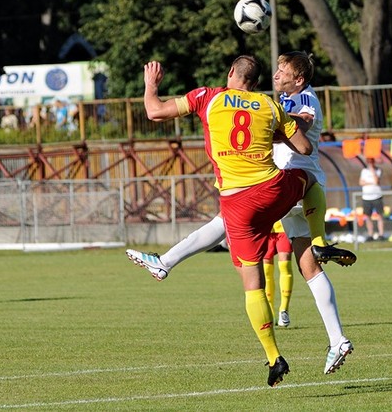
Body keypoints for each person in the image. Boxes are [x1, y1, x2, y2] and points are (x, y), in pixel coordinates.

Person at [126, 55, 355, 387]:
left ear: (231, 73)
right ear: (257, 81)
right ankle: (333, 319)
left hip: (238, 200)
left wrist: (151, 85)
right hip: (275, 190)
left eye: (285, 73)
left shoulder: (209, 97)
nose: (279, 76)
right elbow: (304, 146)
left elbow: (154, 111)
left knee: (253, 283)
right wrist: (275, 129)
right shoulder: (268, 105)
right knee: (307, 194)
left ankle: (275, 356)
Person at [262, 220, 293, 327]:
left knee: (285, 266)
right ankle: (270, 311)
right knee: (266, 270)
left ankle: (284, 309)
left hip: (284, 228)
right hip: (265, 230)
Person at [359, 157, 385, 240]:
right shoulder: (364, 171)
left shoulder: (378, 170)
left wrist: (372, 171)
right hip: (366, 197)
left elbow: (376, 181)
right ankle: (370, 234)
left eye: (372, 162)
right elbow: (361, 182)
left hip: (377, 196)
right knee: (368, 216)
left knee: (379, 216)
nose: (370, 163)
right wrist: (371, 182)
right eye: (369, 162)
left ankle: (381, 234)